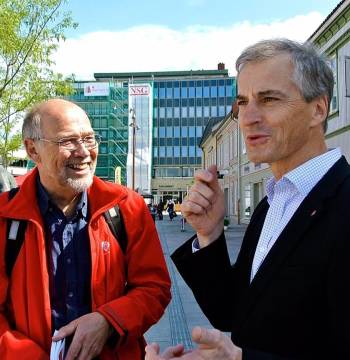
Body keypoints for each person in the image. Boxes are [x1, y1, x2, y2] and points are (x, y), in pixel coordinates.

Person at [148, 39, 350, 359]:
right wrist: (209, 233)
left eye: (268, 99)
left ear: (318, 109)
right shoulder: (271, 202)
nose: (247, 118)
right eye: (243, 102)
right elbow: (234, 312)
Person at [0, 99, 171, 360]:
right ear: (32, 150)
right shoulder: (4, 217)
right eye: (68, 141)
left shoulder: (127, 208)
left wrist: (108, 322)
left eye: (90, 139)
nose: (84, 152)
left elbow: (154, 289)